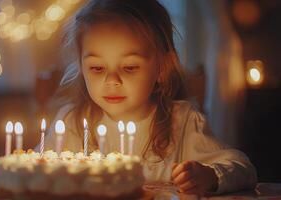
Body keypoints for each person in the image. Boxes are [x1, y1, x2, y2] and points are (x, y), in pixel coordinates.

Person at [40, 0, 257, 196]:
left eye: (129, 67)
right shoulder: (71, 123)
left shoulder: (182, 122)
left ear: (162, 68)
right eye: (97, 68)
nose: (112, 80)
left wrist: (209, 176)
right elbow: (38, 174)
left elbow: (243, 169)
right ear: (81, 67)